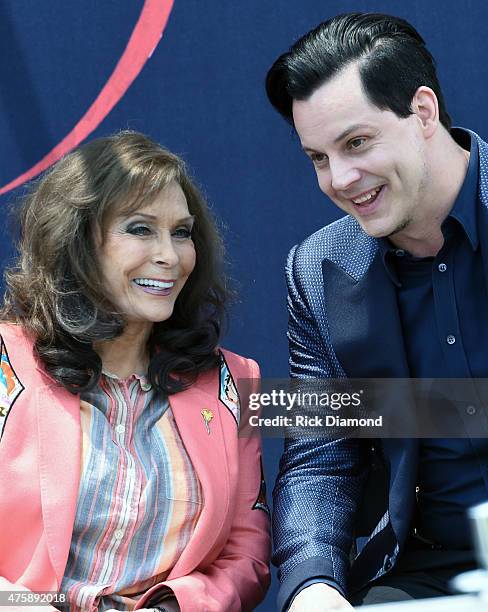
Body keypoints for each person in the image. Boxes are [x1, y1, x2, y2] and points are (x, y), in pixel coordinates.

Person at [265, 11, 488, 612]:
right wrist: (313, 585)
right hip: (428, 571)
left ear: (422, 111)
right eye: (317, 157)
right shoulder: (315, 271)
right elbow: (320, 453)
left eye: (356, 143)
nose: (340, 179)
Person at [0, 131, 270, 611]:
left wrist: (176, 608)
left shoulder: (234, 381)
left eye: (182, 232)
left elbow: (245, 557)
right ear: (77, 239)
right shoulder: (6, 359)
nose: (170, 255)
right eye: (141, 229)